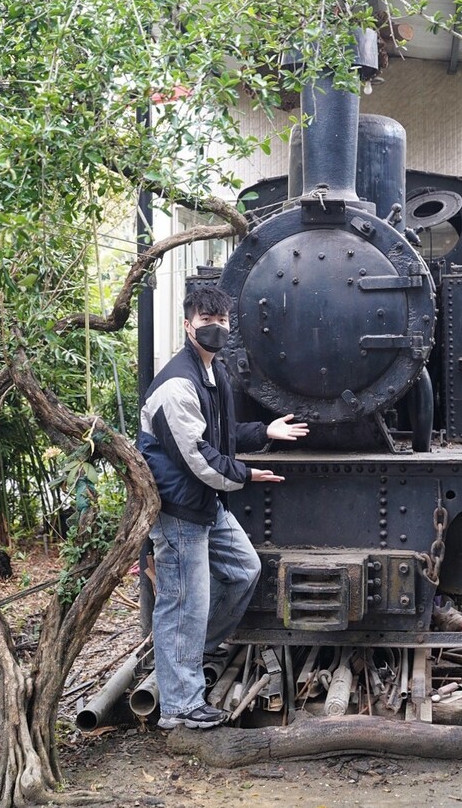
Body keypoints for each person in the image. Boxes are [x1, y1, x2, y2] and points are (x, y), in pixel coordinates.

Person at [137, 285, 308, 729]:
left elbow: (222, 433)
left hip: (205, 503)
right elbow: (198, 457)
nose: (216, 329)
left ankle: (185, 659)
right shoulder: (177, 384)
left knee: (244, 571)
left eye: (222, 321)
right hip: (178, 509)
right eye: (206, 321)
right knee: (183, 604)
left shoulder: (212, 375)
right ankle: (179, 707)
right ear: (187, 325)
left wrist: (265, 431)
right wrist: (247, 475)